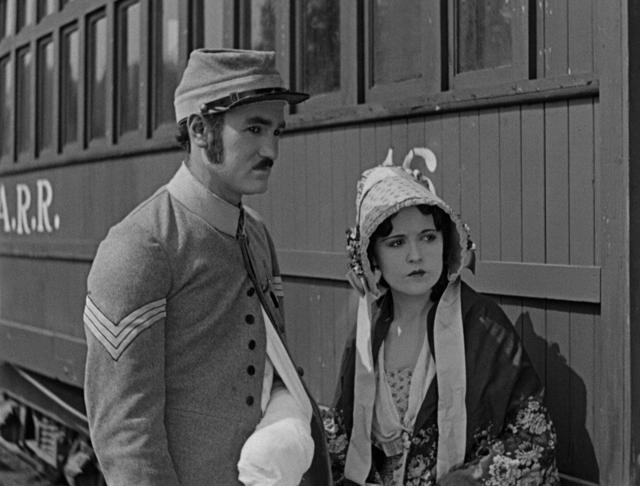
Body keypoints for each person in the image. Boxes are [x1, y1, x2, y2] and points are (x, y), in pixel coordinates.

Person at [82, 48, 331, 486]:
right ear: (199, 129)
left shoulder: (256, 235)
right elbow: (126, 436)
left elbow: (271, 367)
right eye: (254, 129)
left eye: (276, 131)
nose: (271, 149)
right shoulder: (140, 246)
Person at [323, 148, 559, 485]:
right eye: (396, 243)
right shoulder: (369, 330)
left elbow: (534, 439)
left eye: (428, 237)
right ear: (372, 257)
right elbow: (341, 439)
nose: (416, 255)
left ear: (445, 242)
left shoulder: (482, 324)